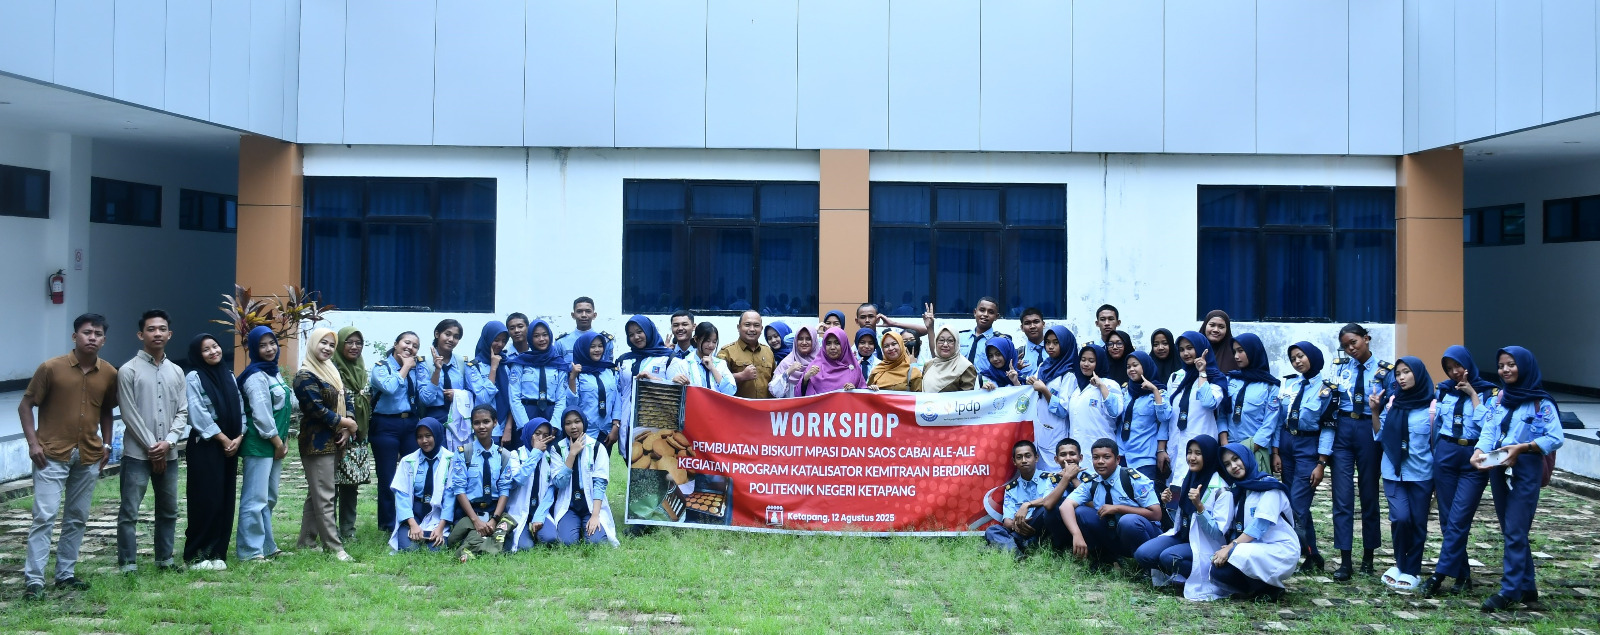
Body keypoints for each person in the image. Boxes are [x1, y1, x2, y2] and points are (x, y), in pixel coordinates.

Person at [20, 314, 117, 600]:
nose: (92, 337)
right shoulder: (51, 368)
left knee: (77, 517)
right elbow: (26, 406)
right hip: (50, 454)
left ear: (104, 340)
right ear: (74, 337)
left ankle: (65, 574)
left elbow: (108, 410)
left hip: (88, 454)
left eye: (97, 333)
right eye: (86, 332)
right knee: (45, 516)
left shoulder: (109, 373)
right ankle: (34, 581)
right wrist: (33, 443)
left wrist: (108, 446)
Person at [1470, 346, 1564, 612]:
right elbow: (1489, 429)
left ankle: (1509, 590)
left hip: (1526, 468)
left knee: (1515, 529)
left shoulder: (1540, 402)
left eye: (1511, 364)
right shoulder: (1499, 399)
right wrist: (1478, 451)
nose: (1505, 370)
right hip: (1498, 466)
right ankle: (1528, 587)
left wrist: (1523, 447)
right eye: (1501, 366)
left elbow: (1556, 437)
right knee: (1511, 529)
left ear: (1524, 366)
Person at [1418, 346, 1497, 598]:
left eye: (1457, 367)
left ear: (1468, 365)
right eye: (1449, 368)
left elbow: (1489, 426)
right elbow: (1437, 425)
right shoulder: (1443, 390)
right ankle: (1462, 575)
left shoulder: (1488, 392)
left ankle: (1439, 574)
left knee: (1459, 518)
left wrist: (1473, 394)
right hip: (1446, 454)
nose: (1454, 372)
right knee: (1446, 518)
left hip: (1474, 457)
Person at [117, 309, 190, 574]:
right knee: (129, 511)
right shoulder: (128, 371)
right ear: (140, 334)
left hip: (168, 454)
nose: (156, 333)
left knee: (169, 509)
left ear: (169, 334)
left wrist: (168, 443)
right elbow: (128, 413)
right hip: (137, 454)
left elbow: (183, 411)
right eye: (151, 329)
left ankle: (165, 559)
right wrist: (152, 446)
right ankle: (128, 563)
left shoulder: (177, 371)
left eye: (162, 329)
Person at [1187, 443, 1299, 601]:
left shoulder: (1269, 486)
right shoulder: (1240, 490)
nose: (1233, 466)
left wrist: (1231, 547)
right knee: (1218, 570)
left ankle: (1272, 588)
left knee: (1234, 554)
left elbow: (1259, 526)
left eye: (1236, 459)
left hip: (1280, 549)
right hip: (1255, 547)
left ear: (1246, 457)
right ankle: (1256, 587)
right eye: (1227, 464)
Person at [1328, 322, 1393, 581]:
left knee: (1369, 493)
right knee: (1341, 496)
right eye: (1345, 346)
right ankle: (1345, 559)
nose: (1350, 349)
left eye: (1353, 343)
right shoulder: (1340, 367)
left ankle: (1368, 555)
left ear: (1366, 339)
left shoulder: (1385, 371)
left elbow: (1390, 407)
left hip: (1369, 429)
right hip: (1343, 428)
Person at [1269, 342, 1337, 575]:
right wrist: (1276, 452)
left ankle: (1298, 552)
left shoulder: (1328, 390)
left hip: (1309, 447)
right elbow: (1279, 420)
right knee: (1290, 502)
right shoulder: (1289, 384)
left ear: (1314, 357)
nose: (1297, 361)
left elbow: (1328, 429)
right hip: (1287, 444)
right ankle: (1313, 553)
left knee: (1298, 505)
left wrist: (1321, 463)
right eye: (1293, 358)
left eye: (1301, 356)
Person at [1369, 356, 1436, 591]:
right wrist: (1375, 411)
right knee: (1399, 518)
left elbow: (1435, 443)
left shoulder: (1433, 407)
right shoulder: (1392, 402)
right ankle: (1400, 563)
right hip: (1393, 471)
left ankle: (1412, 569)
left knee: (1418, 522)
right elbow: (1381, 436)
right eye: (1398, 374)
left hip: (1421, 473)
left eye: (1406, 372)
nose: (1401, 377)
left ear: (1418, 373)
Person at [293, 327, 359, 562]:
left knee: (317, 493)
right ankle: (334, 547)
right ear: (312, 344)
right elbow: (317, 409)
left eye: (331, 345)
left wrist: (346, 425)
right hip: (317, 442)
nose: (327, 348)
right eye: (323, 343)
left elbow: (346, 397)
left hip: (336, 438)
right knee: (326, 495)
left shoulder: (331, 370)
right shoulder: (304, 375)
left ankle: (307, 541)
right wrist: (346, 424)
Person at [181, 333, 246, 571]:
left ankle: (218, 552)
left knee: (224, 499)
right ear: (198, 355)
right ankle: (197, 555)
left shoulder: (229, 375)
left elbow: (240, 408)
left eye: (215, 346)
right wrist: (222, 438)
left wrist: (239, 437)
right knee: (205, 499)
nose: (213, 352)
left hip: (230, 448)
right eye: (206, 349)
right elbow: (196, 411)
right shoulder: (194, 377)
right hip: (206, 447)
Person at [236, 326, 296, 562]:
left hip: (275, 444)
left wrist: (283, 442)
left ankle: (267, 545)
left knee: (269, 497)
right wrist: (278, 443)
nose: (270, 349)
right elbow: (261, 416)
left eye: (272, 343)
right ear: (253, 348)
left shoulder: (273, 372)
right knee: (255, 498)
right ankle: (249, 551)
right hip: (260, 444)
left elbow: (286, 406)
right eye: (262, 345)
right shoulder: (255, 376)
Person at [370, 331, 438, 533]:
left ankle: (411, 519)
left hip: (410, 425)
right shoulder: (381, 367)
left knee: (414, 473)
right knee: (388, 476)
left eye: (415, 345)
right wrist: (406, 367)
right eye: (406, 343)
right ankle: (388, 524)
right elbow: (389, 388)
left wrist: (436, 371)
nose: (410, 348)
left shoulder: (419, 369)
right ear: (396, 344)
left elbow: (426, 398)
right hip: (385, 425)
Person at [1136, 435, 1224, 588]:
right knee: (1142, 554)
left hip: (1204, 543)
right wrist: (1167, 502)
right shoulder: (1187, 478)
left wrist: (1200, 507)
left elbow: (1217, 533)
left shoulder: (1220, 488)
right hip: (1182, 536)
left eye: (1198, 453)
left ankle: (1208, 577)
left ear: (1209, 456)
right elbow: (1181, 518)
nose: (1192, 457)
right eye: (1189, 452)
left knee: (1168, 557)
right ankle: (1176, 574)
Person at [1063, 438, 1162, 570]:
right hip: (1113, 532)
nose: (1100, 462)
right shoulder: (1092, 481)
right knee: (1081, 512)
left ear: (1118, 459)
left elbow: (1156, 514)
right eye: (1096, 457)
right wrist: (1076, 534)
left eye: (1106, 457)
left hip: (1145, 535)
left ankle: (1147, 566)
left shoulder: (1132, 478)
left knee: (1128, 521)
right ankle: (1105, 559)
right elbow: (1065, 506)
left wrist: (1118, 508)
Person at [446, 406, 518, 560]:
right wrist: (476, 521)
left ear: (495, 423)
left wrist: (494, 520)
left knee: (501, 539)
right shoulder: (463, 453)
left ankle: (476, 545)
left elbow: (504, 490)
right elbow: (459, 490)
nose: (481, 426)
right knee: (454, 539)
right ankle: (481, 542)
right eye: (477, 423)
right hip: (470, 511)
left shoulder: (504, 455)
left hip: (494, 511)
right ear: (472, 425)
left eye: (486, 421)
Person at [1165, 331, 1227, 511]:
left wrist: (1202, 373)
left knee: (1197, 493)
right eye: (1182, 349)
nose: (1186, 353)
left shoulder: (1215, 377)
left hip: (1200, 444)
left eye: (1190, 348)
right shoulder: (1176, 377)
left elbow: (1209, 402)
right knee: (1174, 497)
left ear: (1201, 349)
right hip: (1176, 445)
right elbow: (1169, 415)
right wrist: (1163, 447)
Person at [538, 410, 619, 546]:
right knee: (567, 542)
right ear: (563, 427)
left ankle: (587, 526)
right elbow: (559, 483)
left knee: (596, 543)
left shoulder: (597, 447)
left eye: (577, 421)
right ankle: (577, 526)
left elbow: (600, 483)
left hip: (591, 505)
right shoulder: (557, 449)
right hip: (568, 505)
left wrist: (595, 516)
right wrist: (572, 454)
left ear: (584, 422)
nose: (573, 427)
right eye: (568, 423)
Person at [984, 440, 1063, 558]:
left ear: (1036, 458)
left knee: (1045, 510)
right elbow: (1007, 521)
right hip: (1021, 529)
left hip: (1043, 527)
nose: (1024, 460)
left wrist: (1027, 505)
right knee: (992, 530)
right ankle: (1018, 552)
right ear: (1014, 462)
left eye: (1028, 456)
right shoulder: (1011, 488)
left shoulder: (1050, 478)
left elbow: (1049, 501)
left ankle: (1006, 545)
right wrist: (1018, 527)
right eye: (1019, 457)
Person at [389, 417, 454, 553]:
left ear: (437, 434)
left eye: (428, 436)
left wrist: (440, 528)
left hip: (438, 515)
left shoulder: (451, 460)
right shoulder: (407, 461)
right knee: (409, 549)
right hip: (414, 514)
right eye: (419, 437)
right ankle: (411, 528)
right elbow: (401, 495)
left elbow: (450, 497)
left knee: (435, 551)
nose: (424, 441)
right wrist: (412, 524)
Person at [332, 326, 371, 541]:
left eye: (358, 343)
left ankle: (348, 530)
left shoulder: (361, 369)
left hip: (359, 436)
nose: (354, 347)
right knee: (333, 485)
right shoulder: (332, 368)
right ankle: (329, 531)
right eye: (349, 342)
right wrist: (345, 427)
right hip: (338, 433)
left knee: (351, 484)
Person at [616, 316, 676, 452]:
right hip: (627, 422)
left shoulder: (668, 358)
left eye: (639, 331)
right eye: (631, 334)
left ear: (649, 331)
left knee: (654, 460)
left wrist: (653, 380)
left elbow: (677, 394)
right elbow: (618, 393)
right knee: (632, 462)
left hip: (656, 422)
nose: (636, 337)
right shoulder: (624, 360)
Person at [1224, 333, 1281, 473]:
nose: (1236, 356)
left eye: (1241, 351)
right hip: (1228, 450)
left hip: (1255, 450)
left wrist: (1244, 450)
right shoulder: (1230, 380)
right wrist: (1226, 447)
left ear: (1253, 351)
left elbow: (1269, 425)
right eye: (1234, 351)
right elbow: (1222, 415)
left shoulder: (1270, 387)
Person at [506, 319, 569, 444]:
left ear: (550, 336)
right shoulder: (520, 362)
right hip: (527, 413)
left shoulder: (559, 363)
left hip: (551, 414)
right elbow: (514, 397)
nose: (541, 339)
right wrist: (525, 427)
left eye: (545, 335)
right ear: (530, 338)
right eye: (536, 336)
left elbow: (561, 398)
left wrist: (554, 426)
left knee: (551, 459)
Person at [1029, 326, 1079, 471]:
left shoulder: (1068, 374)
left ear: (1065, 345)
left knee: (1055, 476)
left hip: (1056, 434)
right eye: (1048, 342)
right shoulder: (1043, 367)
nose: (1050, 347)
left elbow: (1063, 410)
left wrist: (1044, 390)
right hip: (1039, 433)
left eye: (1056, 343)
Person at [505, 419, 559, 552]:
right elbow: (519, 479)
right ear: (529, 434)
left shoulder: (549, 457)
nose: (541, 438)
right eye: (537, 433)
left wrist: (539, 517)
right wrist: (535, 453)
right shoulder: (515, 455)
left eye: (546, 435)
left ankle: (536, 528)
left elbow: (551, 490)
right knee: (525, 547)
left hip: (539, 510)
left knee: (550, 539)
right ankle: (527, 532)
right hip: (519, 510)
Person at [1120, 351, 1175, 483]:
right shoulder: (1126, 392)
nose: (1131, 369)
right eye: (1128, 366)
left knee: (1143, 499)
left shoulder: (1159, 392)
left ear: (1145, 366)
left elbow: (1165, 417)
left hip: (1144, 456)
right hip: (1123, 454)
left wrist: (1154, 390)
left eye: (1135, 365)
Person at [421, 319, 487, 428]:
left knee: (463, 446)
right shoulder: (424, 363)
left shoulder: (463, 362)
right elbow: (426, 400)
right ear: (437, 334)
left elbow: (475, 393)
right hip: (435, 417)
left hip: (460, 416)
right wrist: (437, 370)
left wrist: (457, 395)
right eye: (447, 334)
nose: (451, 339)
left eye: (456, 337)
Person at [1065, 345, 1124, 449]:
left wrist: (1101, 386)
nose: (1086, 364)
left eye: (1091, 361)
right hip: (1078, 448)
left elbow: (1115, 411)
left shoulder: (1109, 384)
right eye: (1083, 360)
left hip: (1102, 448)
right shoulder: (1076, 387)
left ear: (1099, 363)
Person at [567, 331, 621, 443]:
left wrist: (615, 427)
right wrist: (572, 378)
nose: (597, 350)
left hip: (606, 432)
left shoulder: (610, 371)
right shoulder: (576, 373)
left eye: (600, 346)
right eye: (592, 347)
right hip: (585, 432)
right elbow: (571, 404)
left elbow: (617, 400)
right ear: (583, 349)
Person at [465, 321, 509, 444]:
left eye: (503, 340)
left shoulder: (506, 364)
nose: (500, 344)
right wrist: (493, 368)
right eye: (496, 340)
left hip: (505, 427)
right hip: (485, 427)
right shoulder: (473, 367)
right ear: (487, 339)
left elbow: (512, 397)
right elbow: (484, 398)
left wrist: (508, 428)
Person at [719, 310, 776, 399]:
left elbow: (775, 382)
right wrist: (741, 376)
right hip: (737, 410)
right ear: (738, 327)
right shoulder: (727, 352)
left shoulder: (768, 351)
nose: (752, 329)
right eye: (747, 325)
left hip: (764, 409)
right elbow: (716, 381)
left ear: (761, 329)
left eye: (756, 325)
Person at [670, 322, 738, 394]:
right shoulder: (684, 364)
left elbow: (731, 391)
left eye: (714, 342)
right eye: (707, 341)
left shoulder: (721, 364)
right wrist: (675, 382)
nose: (711, 345)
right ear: (696, 339)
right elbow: (677, 393)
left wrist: (713, 369)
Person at [800, 327, 860, 396]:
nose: (832, 347)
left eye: (837, 343)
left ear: (844, 344)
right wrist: (805, 379)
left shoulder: (854, 368)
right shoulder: (814, 367)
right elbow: (800, 396)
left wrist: (855, 391)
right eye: (828, 343)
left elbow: (863, 397)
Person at [958, 297, 1007, 377]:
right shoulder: (960, 337)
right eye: (982, 310)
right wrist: (931, 329)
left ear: (996, 317)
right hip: (959, 386)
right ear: (975, 312)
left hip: (986, 387)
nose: (985, 314)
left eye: (991, 312)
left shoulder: (1001, 341)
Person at [921, 326, 978, 393]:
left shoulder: (965, 367)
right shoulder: (929, 365)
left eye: (950, 341)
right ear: (935, 342)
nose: (945, 344)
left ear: (956, 343)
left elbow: (966, 399)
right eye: (941, 340)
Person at [557, 296, 612, 365]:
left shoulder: (605, 340)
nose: (584, 315)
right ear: (573, 315)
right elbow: (558, 369)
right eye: (579, 311)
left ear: (594, 315)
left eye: (588, 311)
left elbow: (609, 367)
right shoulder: (561, 342)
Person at [769, 325, 818, 398]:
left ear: (814, 340)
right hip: (793, 408)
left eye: (808, 339)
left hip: (816, 408)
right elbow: (774, 392)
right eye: (800, 339)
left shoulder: (821, 361)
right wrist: (788, 372)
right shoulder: (787, 363)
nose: (804, 342)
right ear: (795, 341)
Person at [1016, 308, 1049, 375]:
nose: (1032, 326)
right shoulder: (1018, 354)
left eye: (1036, 322)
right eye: (1027, 323)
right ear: (1022, 328)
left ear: (1043, 324)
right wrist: (1016, 370)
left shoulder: (1055, 350)